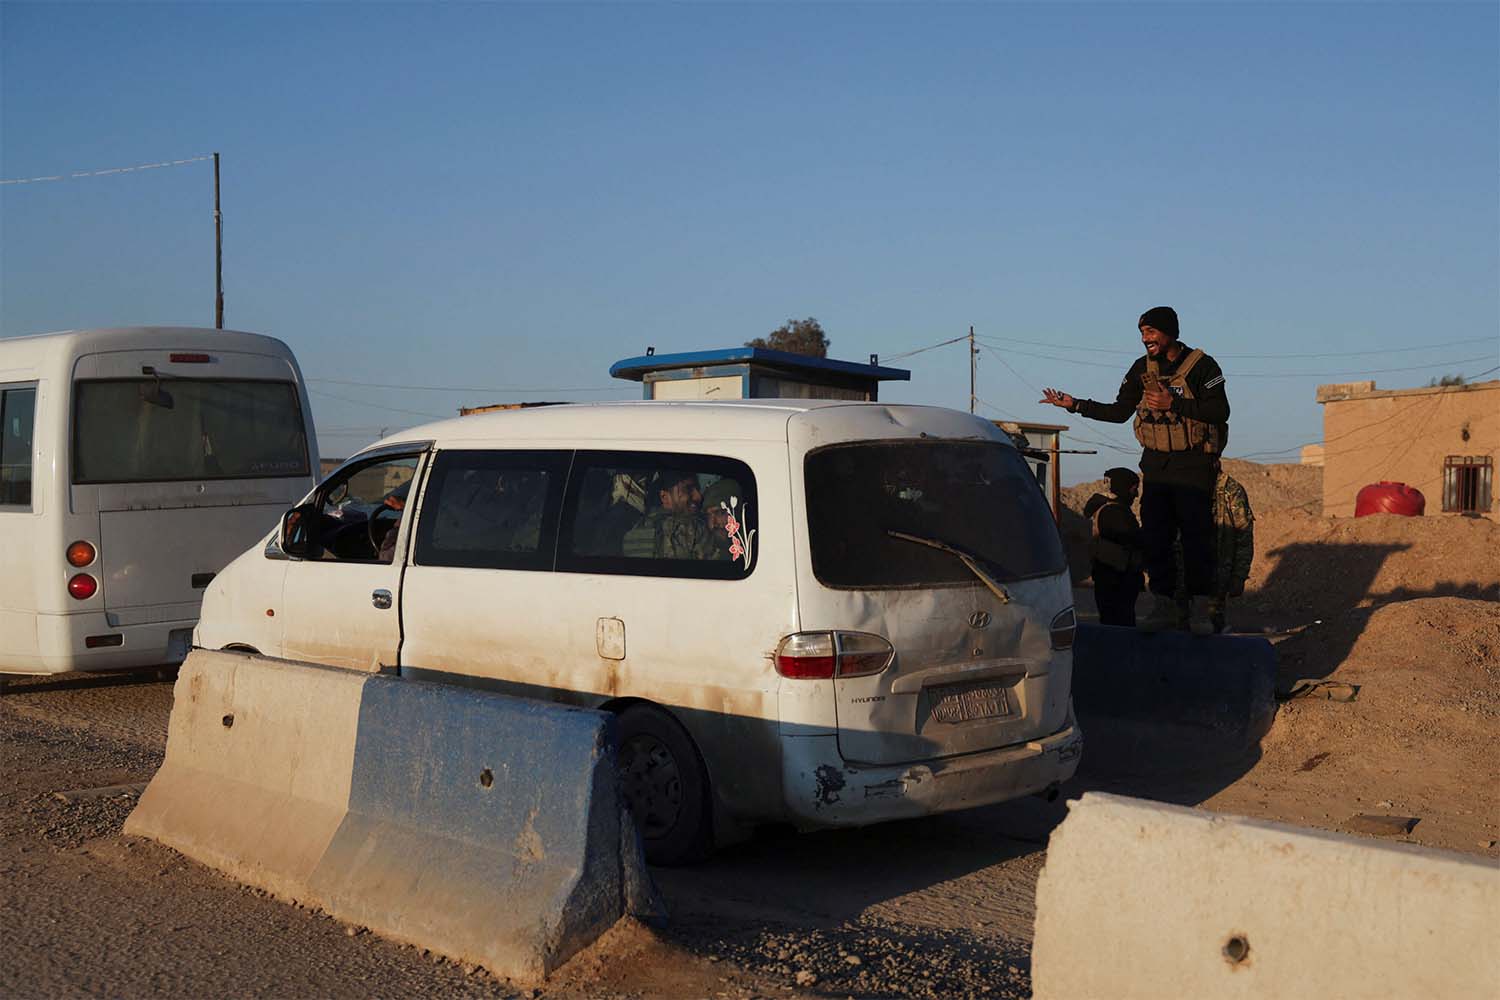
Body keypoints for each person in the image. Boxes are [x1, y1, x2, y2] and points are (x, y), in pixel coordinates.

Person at [1041, 305, 1230, 635]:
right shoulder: (1141, 369)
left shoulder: (1202, 366)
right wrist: (1076, 405)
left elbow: (1219, 410)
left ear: (1170, 332)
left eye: (1151, 332)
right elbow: (1119, 412)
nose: (1146, 338)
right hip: (1156, 465)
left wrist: (1175, 404)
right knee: (1156, 537)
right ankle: (1166, 605)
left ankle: (1200, 608)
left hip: (1193, 464)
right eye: (1142, 333)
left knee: (1196, 538)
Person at [1174, 462, 1255, 633]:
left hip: (1216, 575)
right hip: (1183, 573)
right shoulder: (1183, 486)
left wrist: (1239, 576)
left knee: (1210, 628)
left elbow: (1243, 536)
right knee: (1178, 627)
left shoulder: (1230, 490)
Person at [1082, 468, 1146, 627]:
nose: (1136, 495)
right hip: (1117, 581)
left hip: (1111, 578)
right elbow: (1133, 539)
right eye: (1134, 489)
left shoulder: (1108, 508)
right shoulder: (1113, 512)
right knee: (1120, 628)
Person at [622, 469, 722, 560]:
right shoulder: (695, 528)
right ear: (664, 497)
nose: (698, 496)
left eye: (697, 489)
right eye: (688, 489)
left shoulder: (632, 534)